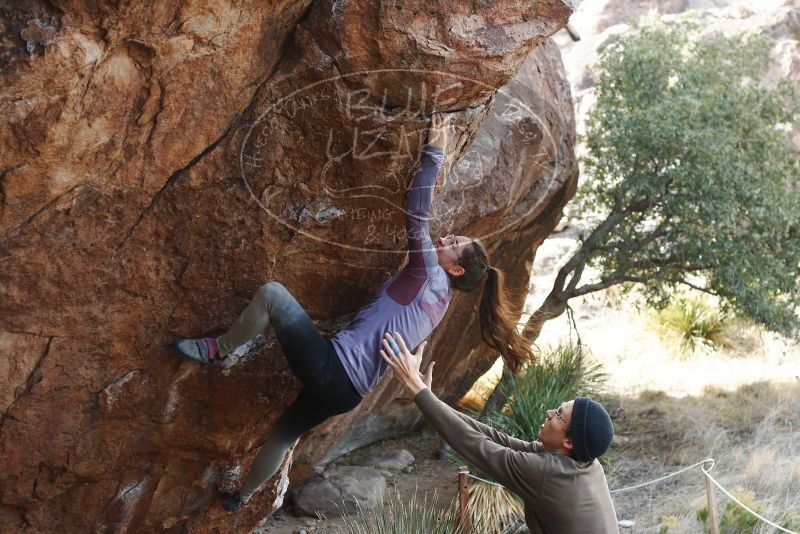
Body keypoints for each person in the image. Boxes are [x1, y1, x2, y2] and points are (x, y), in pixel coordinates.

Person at [170, 113, 534, 512]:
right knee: (282, 434)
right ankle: (241, 497)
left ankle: (218, 349)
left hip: (334, 369)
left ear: (456, 268)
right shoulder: (441, 304)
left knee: (273, 295)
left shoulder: (428, 270)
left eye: (452, 243)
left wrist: (435, 153)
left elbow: (416, 214)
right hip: (348, 395)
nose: (444, 240)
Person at [381, 332, 619, 534]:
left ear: (567, 441)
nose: (548, 412)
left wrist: (416, 390)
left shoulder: (546, 473)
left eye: (558, 414)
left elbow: (474, 445)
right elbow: (495, 439)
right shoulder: (582, 460)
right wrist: (428, 397)